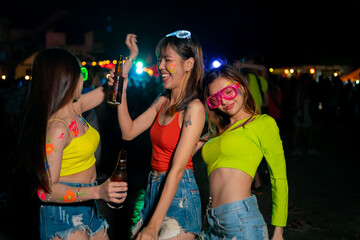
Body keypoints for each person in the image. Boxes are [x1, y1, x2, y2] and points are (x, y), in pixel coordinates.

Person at [16, 36, 136, 240]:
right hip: (63, 214)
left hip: (89, 206)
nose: (83, 78)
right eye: (80, 73)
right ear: (66, 79)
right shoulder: (57, 129)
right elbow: (46, 192)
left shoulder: (75, 107)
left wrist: (132, 56)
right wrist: (98, 192)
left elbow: (110, 88)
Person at [114, 30, 205, 239]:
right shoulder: (162, 100)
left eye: (167, 60)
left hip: (179, 193)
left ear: (189, 64)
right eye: (159, 60)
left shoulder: (194, 108)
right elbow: (128, 132)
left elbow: (178, 168)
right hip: (154, 188)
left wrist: (153, 226)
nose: (161, 66)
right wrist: (123, 85)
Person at [200, 64, 288, 239]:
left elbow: (279, 178)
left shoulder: (262, 123)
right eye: (215, 99)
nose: (224, 101)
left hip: (240, 220)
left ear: (242, 88)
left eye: (228, 91)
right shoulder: (217, 132)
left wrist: (278, 230)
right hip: (211, 221)